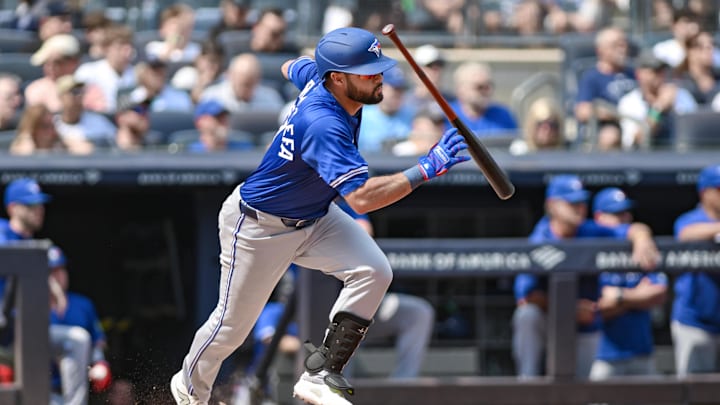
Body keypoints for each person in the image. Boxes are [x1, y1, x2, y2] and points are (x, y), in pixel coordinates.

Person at [170, 26, 469, 405]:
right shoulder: (324, 123)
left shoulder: (320, 76)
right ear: (339, 79)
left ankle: (321, 372)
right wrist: (425, 168)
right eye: (368, 71)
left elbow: (293, 68)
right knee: (231, 328)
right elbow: (360, 199)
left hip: (315, 214)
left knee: (374, 270)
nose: (380, 77)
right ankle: (189, 390)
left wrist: (304, 65)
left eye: (378, 68)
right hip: (260, 225)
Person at [512, 175, 659, 378]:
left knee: (583, 389)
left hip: (585, 325)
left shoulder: (589, 230)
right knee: (527, 315)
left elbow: (633, 229)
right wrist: (568, 308)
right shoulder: (540, 238)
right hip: (550, 322)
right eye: (572, 202)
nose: (579, 207)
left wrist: (643, 239)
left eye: (581, 202)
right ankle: (527, 383)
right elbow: (526, 296)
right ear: (552, 206)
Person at [0, 178, 96, 405]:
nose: (39, 210)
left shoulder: (33, 242)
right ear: (13, 208)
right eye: (31, 205)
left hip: (19, 335)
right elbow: (14, 255)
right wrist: (49, 281)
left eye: (40, 204)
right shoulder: (2, 231)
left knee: (77, 339)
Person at [589, 187, 668, 380]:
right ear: (599, 217)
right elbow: (594, 309)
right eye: (617, 214)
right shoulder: (588, 245)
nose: (624, 218)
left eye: (626, 213)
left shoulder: (641, 249)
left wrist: (619, 297)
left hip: (642, 353)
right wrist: (637, 298)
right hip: (602, 355)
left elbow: (659, 293)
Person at [672, 164, 720, 377]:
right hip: (695, 321)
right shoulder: (690, 219)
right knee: (694, 392)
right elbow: (685, 234)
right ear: (704, 192)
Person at [48, 245, 113, 402]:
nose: (59, 276)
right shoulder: (31, 306)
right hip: (43, 388)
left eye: (61, 270)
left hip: (77, 390)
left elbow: (97, 341)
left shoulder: (82, 304)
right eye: (52, 271)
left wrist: (100, 363)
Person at [617, 51, 697, 150]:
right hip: (649, 160)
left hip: (682, 155)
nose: (660, 76)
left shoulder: (681, 95)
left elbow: (696, 131)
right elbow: (639, 139)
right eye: (654, 71)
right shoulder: (630, 102)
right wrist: (658, 107)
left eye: (662, 71)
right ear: (639, 74)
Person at [574, 26, 636, 151]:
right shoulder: (592, 77)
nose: (622, 50)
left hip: (638, 124)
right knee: (610, 136)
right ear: (600, 50)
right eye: (616, 45)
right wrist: (617, 114)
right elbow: (582, 111)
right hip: (610, 127)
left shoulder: (634, 74)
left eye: (624, 45)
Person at [447, 61, 518, 136]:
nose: (487, 91)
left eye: (489, 86)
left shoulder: (503, 115)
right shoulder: (446, 116)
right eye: (480, 87)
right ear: (461, 89)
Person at [200, 53, 285, 113]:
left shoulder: (272, 99)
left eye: (251, 84)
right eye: (243, 84)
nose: (246, 88)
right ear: (230, 77)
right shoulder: (211, 96)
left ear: (258, 79)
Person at [358, 66, 415, 153]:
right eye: (395, 89)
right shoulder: (361, 117)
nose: (399, 94)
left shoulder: (412, 116)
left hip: (403, 164)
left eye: (402, 90)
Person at [53, 75, 117, 152]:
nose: (79, 96)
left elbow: (116, 143)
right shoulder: (51, 124)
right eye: (74, 92)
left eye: (81, 91)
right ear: (61, 97)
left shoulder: (98, 121)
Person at [186, 100, 254, 152]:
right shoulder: (189, 151)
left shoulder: (242, 148)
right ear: (201, 122)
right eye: (217, 118)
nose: (223, 122)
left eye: (224, 117)